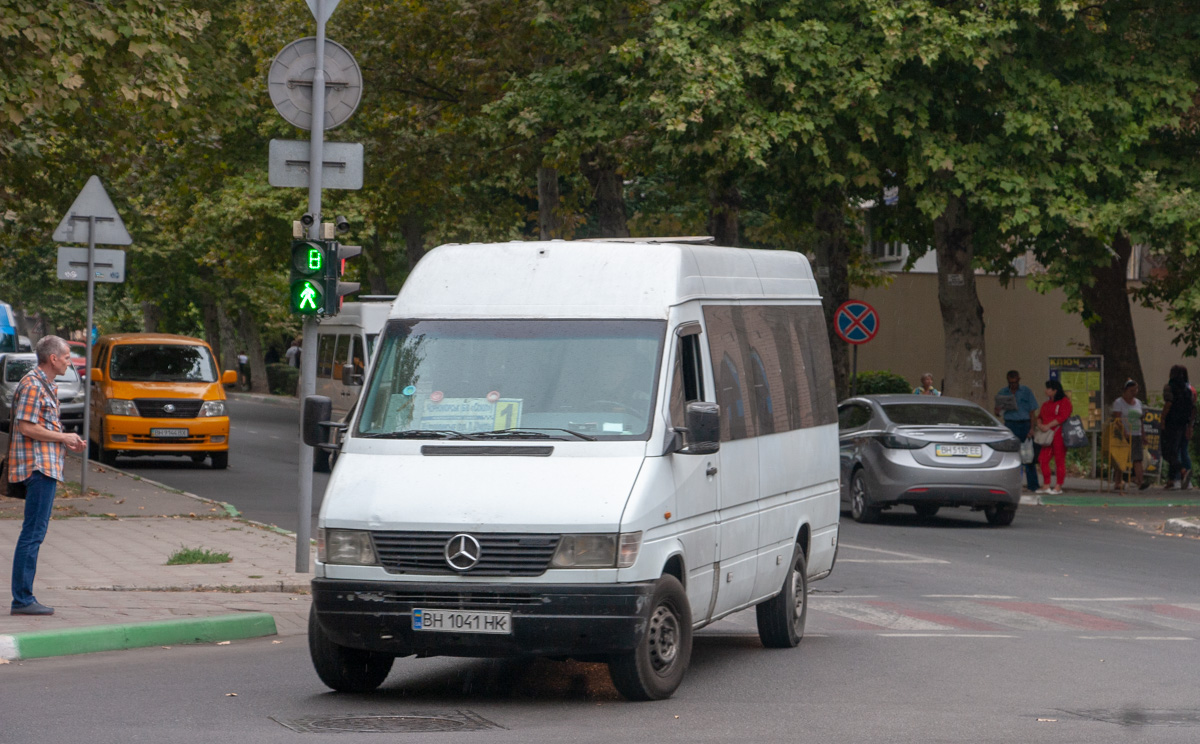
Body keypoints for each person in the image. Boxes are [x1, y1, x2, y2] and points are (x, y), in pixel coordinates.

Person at [7, 335, 86, 615]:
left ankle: (23, 597)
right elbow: (27, 427)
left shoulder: (45, 385)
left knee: (34, 532)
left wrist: (66, 440)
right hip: (37, 467)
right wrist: (63, 437)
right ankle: (22, 599)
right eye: (66, 357)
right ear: (53, 358)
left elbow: (41, 426)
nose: (69, 361)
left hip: (46, 466)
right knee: (33, 533)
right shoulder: (32, 385)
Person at [994, 370, 1040, 491]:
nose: (1013, 385)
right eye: (1010, 382)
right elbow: (997, 413)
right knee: (1011, 455)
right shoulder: (1003, 392)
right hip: (1010, 424)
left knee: (1028, 457)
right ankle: (1012, 485)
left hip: (1024, 424)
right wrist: (998, 409)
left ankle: (1033, 486)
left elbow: (1032, 412)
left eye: (1015, 382)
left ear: (1019, 380)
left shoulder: (1026, 391)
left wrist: (1031, 428)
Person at [1035, 379, 1072, 496]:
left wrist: (1047, 426)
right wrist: (1040, 425)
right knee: (1042, 459)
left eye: (1048, 388)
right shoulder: (1046, 404)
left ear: (1055, 390)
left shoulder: (1064, 402)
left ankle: (1058, 485)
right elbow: (1039, 416)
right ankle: (1046, 484)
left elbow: (1063, 417)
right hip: (1047, 436)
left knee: (1059, 460)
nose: (1046, 391)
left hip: (1059, 434)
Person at [1161, 364, 1195, 490]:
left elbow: (1168, 403)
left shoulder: (1169, 387)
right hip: (1184, 423)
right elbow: (1192, 408)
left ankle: (1180, 473)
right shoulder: (1188, 389)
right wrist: (1190, 426)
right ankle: (1177, 479)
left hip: (1172, 423)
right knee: (1181, 451)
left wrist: (1163, 419)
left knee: (1169, 451)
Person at [1110, 379, 1147, 491]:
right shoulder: (1119, 402)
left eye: (1135, 390)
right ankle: (1117, 482)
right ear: (1125, 390)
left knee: (1137, 458)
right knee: (1121, 459)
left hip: (1136, 433)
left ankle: (1140, 481)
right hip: (1123, 434)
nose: (1134, 393)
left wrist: (1143, 434)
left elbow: (1141, 420)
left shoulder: (1138, 403)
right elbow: (1117, 418)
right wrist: (1123, 431)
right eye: (1131, 390)